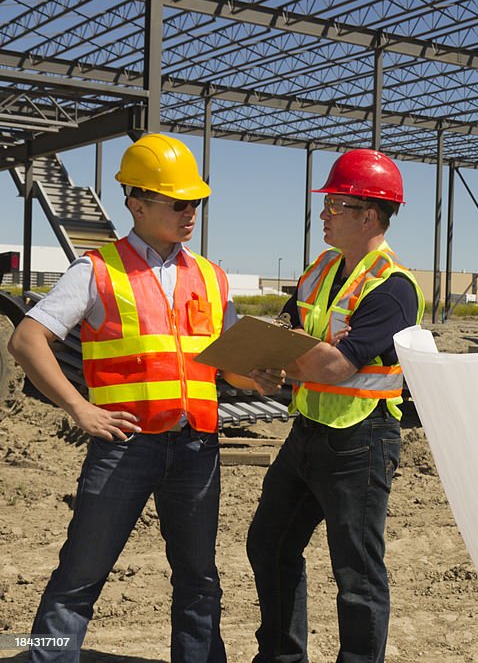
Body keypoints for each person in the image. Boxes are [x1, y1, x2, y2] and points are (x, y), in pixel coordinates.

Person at [8, 133, 237, 662]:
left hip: (197, 448)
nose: (191, 213)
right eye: (179, 202)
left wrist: (258, 376)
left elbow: (224, 362)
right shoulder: (97, 270)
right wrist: (79, 407)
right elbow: (26, 339)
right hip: (126, 447)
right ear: (137, 203)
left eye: (196, 202)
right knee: (79, 578)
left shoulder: (210, 276)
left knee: (200, 580)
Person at [246, 148, 424, 663]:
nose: (323, 214)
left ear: (368, 214)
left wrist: (288, 356)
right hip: (308, 432)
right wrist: (269, 360)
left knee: (357, 575)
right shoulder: (320, 269)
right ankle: (281, 657)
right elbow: (284, 329)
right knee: (270, 545)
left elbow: (334, 366)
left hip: (361, 443)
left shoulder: (393, 287)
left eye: (335, 205)